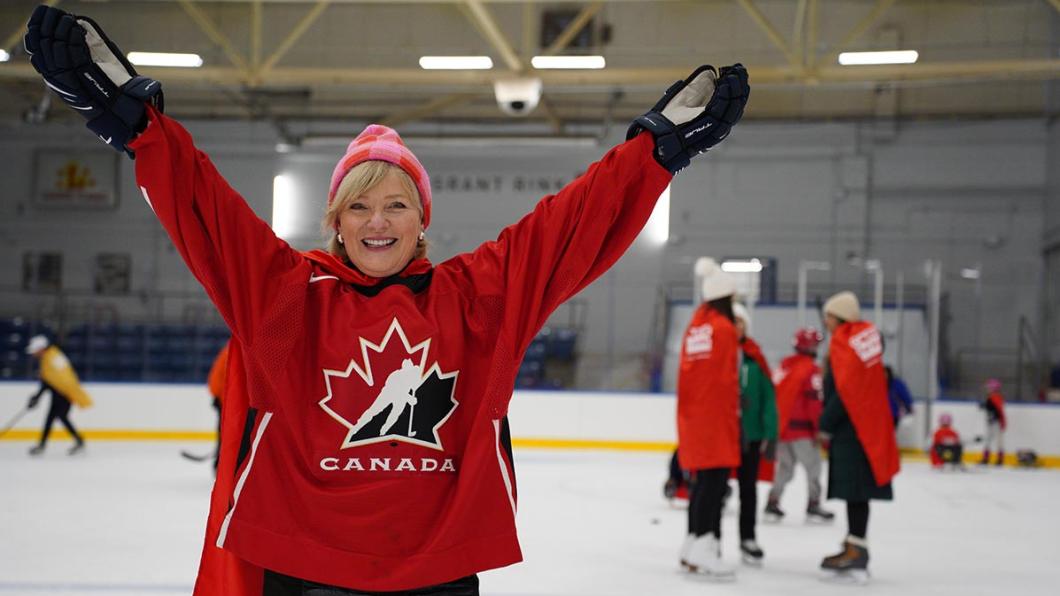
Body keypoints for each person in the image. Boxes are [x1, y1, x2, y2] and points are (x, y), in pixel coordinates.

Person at [24, 6, 750, 594]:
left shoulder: (476, 298)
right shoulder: (286, 294)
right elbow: (204, 209)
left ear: (422, 219)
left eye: (398, 203)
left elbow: (566, 230)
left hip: (437, 572)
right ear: (334, 221)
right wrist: (137, 125)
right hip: (304, 571)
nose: (379, 221)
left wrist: (652, 152)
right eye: (360, 206)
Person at [817, 291, 900, 581]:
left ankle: (858, 550)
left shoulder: (846, 344)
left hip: (853, 431)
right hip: (857, 428)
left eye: (828, 316)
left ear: (839, 317)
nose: (825, 321)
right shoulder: (858, 342)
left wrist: (825, 422)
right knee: (856, 492)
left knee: (856, 491)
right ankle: (854, 543)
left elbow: (846, 390)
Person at [676, 258, 740, 581]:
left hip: (695, 416)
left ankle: (693, 544)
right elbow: (727, 380)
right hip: (716, 417)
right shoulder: (724, 329)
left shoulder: (697, 326)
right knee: (714, 485)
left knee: (703, 482)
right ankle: (704, 544)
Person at [765, 327, 834, 523]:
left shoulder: (784, 367)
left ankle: (772, 500)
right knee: (814, 468)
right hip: (802, 431)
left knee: (785, 469)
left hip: (782, 430)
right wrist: (819, 428)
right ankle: (813, 504)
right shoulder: (812, 371)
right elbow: (814, 403)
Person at [730, 303, 777, 566]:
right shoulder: (719, 355)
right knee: (715, 489)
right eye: (732, 321)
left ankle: (748, 538)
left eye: (740, 322)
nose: (736, 326)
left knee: (748, 490)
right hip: (725, 434)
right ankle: (709, 537)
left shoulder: (754, 357)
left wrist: (771, 434)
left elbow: (769, 398)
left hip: (752, 435)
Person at [24, 334, 93, 456]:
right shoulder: (49, 357)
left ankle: (76, 441)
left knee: (59, 417)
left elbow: (54, 381)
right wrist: (38, 396)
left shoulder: (52, 358)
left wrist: (38, 396)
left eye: (34, 350)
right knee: (55, 417)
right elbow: (49, 381)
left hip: (64, 393)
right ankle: (76, 441)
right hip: (59, 392)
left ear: (41, 348)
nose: (33, 354)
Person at [205, 340, 231, 470]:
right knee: (227, 434)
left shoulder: (228, 350)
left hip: (223, 399)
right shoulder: (230, 352)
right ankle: (221, 465)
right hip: (225, 401)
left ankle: (221, 464)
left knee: (225, 433)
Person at [979, 378, 1007, 466]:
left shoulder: (996, 397)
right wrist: (985, 406)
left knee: (998, 441)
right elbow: (990, 407)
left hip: (996, 422)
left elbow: (999, 410)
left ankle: (999, 459)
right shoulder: (990, 397)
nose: (988, 389)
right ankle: (986, 458)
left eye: (989, 388)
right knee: (988, 440)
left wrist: (997, 418)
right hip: (990, 422)